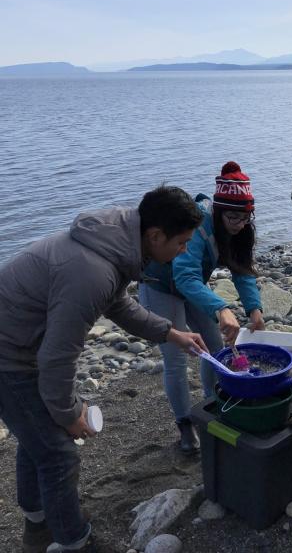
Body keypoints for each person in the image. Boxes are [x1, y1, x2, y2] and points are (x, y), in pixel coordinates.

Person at [0, 185, 207, 553]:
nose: (185, 250)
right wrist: (69, 414)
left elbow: (120, 306)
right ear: (155, 235)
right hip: (8, 355)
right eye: (182, 242)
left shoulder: (117, 243)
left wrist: (172, 334)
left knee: (37, 439)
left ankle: (38, 525)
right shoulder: (92, 271)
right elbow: (57, 358)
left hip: (21, 343)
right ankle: (74, 542)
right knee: (58, 452)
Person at [140, 162, 265, 453]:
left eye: (245, 217)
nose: (238, 224)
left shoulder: (241, 230)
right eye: (232, 216)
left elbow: (242, 270)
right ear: (219, 211)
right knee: (177, 358)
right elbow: (185, 276)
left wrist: (254, 310)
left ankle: (212, 402)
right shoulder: (199, 227)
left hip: (191, 287)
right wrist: (221, 308)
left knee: (214, 348)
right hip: (159, 285)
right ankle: (185, 424)